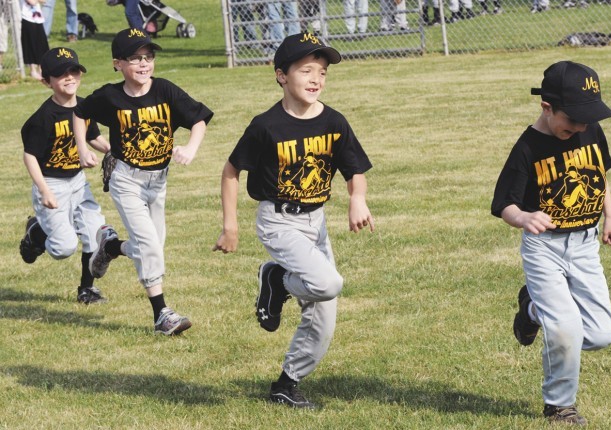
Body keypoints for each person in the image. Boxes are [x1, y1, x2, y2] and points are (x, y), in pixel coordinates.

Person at [213, 32, 375, 408]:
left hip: (315, 223)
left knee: (324, 317)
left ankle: (287, 383)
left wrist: (358, 198)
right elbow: (231, 171)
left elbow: (355, 170)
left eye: (322, 71)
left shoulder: (334, 121)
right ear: (281, 75)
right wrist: (230, 225)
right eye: (306, 70)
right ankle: (278, 279)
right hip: (278, 221)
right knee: (328, 283)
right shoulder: (266, 125)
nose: (316, 78)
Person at [491, 61, 611, 425]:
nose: (580, 127)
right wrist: (524, 217)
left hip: (585, 244)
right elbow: (504, 204)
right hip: (544, 248)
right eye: (572, 120)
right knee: (564, 328)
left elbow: (599, 175)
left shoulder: (589, 129)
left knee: (601, 333)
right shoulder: (527, 147)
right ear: (546, 107)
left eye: (586, 119)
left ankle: (531, 309)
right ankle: (559, 404)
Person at [73, 28, 214, 335]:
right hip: (126, 180)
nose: (143, 63)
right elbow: (80, 112)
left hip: (158, 182)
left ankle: (111, 247)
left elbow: (199, 119)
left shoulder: (164, 90)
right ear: (117, 63)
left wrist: (191, 147)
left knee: (151, 247)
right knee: (150, 246)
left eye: (148, 57)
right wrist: (83, 148)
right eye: (134, 58)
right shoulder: (110, 96)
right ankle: (161, 314)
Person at [19, 47, 111, 304]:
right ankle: (36, 233)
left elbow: (92, 136)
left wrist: (110, 149)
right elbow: (30, 156)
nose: (69, 77)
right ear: (46, 82)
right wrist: (44, 190)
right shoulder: (43, 118)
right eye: (61, 74)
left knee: (95, 233)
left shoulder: (84, 106)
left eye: (74, 70)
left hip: (78, 182)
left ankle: (86, 290)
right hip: (51, 184)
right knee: (63, 248)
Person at [21, 0, 49, 79]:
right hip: (27, 18)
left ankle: (41, 69)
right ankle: (33, 70)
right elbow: (31, 2)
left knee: (41, 44)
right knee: (30, 44)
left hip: (38, 18)